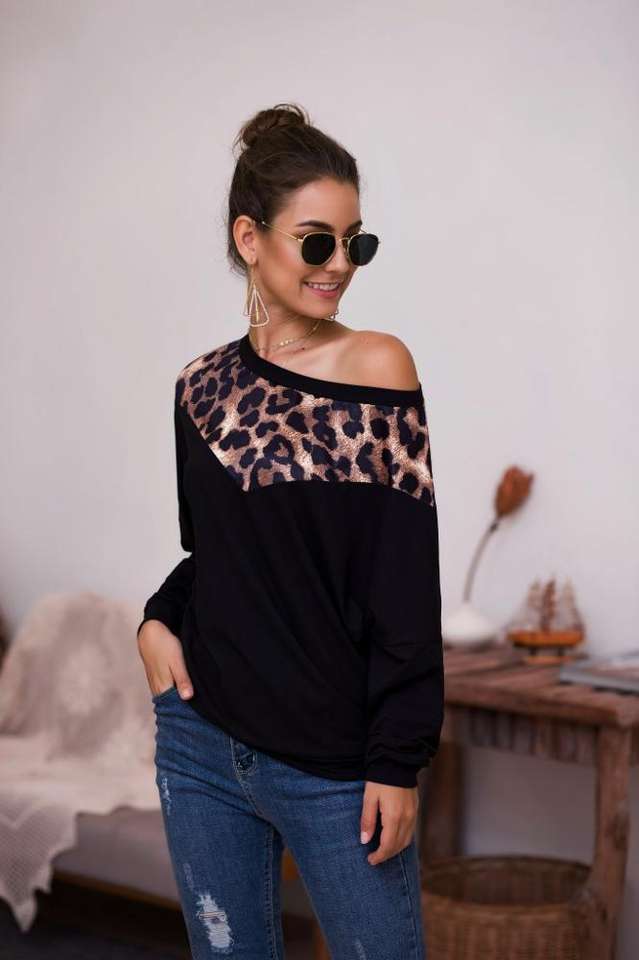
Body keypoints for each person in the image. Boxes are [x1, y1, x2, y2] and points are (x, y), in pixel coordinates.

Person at [137, 101, 444, 960]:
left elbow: (401, 581)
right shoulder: (199, 387)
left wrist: (395, 760)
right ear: (250, 237)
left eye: (355, 243)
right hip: (200, 742)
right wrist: (155, 620)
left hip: (334, 760)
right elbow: (215, 553)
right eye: (317, 242)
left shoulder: (376, 368)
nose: (339, 264)